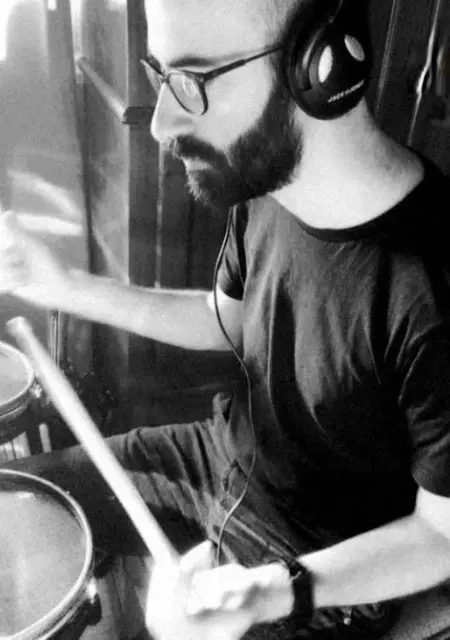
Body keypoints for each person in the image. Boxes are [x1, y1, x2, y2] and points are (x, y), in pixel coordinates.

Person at [1, 0, 450, 638]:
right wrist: (64, 287)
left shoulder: (430, 290)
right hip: (222, 461)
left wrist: (266, 593)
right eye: (161, 75)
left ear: (319, 66)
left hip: (329, 565)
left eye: (192, 80)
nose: (160, 121)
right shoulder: (265, 180)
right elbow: (226, 320)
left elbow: (441, 535)